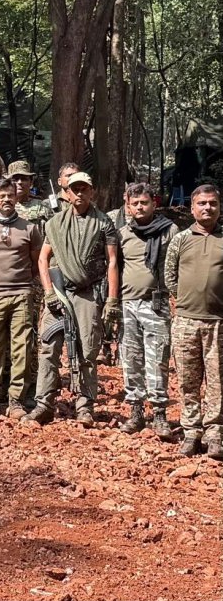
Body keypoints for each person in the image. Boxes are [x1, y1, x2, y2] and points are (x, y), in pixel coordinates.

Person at [25, 172, 119, 427]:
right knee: (49, 348)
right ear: (66, 193)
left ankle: (85, 405)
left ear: (92, 192)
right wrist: (47, 291)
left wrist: (111, 300)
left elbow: (112, 261)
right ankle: (44, 403)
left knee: (87, 350)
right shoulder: (55, 223)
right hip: (58, 292)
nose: (79, 193)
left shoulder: (103, 222)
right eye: (74, 189)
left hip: (87, 293)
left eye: (84, 189)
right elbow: (43, 258)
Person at [0, 178, 42, 423]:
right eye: (1, 196)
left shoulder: (30, 228)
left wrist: (20, 282)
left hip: (22, 293)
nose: (6, 200)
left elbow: (36, 263)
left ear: (16, 197)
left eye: (10, 195)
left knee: (21, 346)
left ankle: (16, 399)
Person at [113, 183, 177, 439]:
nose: (139, 207)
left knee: (158, 359)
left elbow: (177, 266)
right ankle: (136, 411)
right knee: (131, 359)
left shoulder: (168, 231)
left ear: (154, 203)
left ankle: (160, 413)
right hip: (128, 304)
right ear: (128, 206)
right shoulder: (122, 234)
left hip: (156, 304)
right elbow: (114, 267)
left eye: (144, 202)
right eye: (134, 203)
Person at [164, 184, 223, 460]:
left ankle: (214, 434)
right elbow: (170, 277)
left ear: (219, 207)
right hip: (186, 320)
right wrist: (184, 300)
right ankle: (191, 432)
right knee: (188, 380)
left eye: (212, 203)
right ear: (192, 208)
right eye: (202, 203)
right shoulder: (181, 239)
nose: (207, 208)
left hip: (218, 323)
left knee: (218, 381)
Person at [8, 161, 49, 225]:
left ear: (31, 183)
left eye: (24, 179)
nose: (19, 182)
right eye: (15, 179)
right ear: (7, 183)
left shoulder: (41, 206)